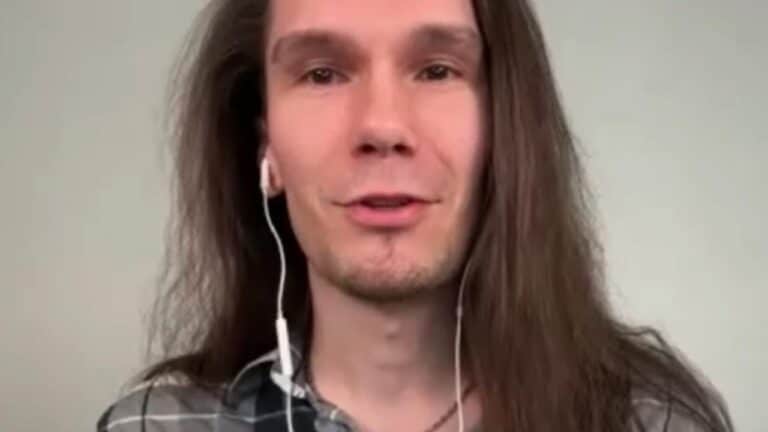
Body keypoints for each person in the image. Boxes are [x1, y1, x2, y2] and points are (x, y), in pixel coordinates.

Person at [97, 0, 733, 431]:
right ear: (266, 146)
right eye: (322, 74)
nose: (382, 126)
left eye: (435, 70)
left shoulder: (650, 424)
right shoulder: (159, 426)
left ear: (505, 128)